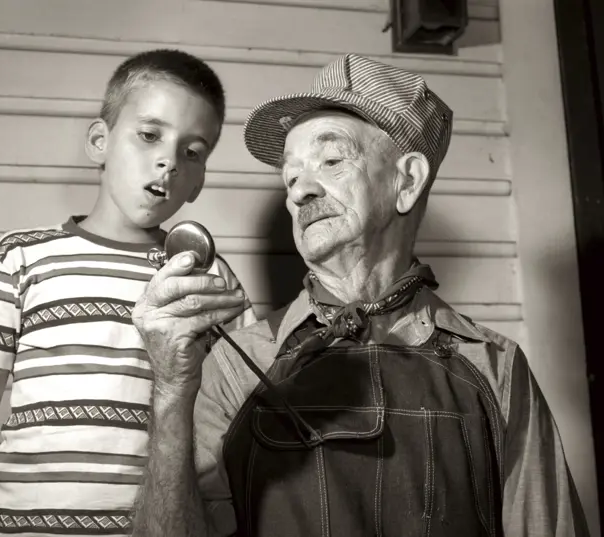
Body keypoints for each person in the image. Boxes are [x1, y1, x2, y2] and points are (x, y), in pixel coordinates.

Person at [130, 53, 590, 537]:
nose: (300, 191)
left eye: (331, 161)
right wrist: (170, 391)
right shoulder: (235, 362)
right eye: (290, 175)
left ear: (406, 181)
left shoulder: (495, 369)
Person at [0, 49, 256, 537]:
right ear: (100, 141)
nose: (169, 160)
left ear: (199, 181)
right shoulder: (19, 257)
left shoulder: (205, 278)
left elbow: (234, 427)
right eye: (149, 135)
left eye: (193, 152)